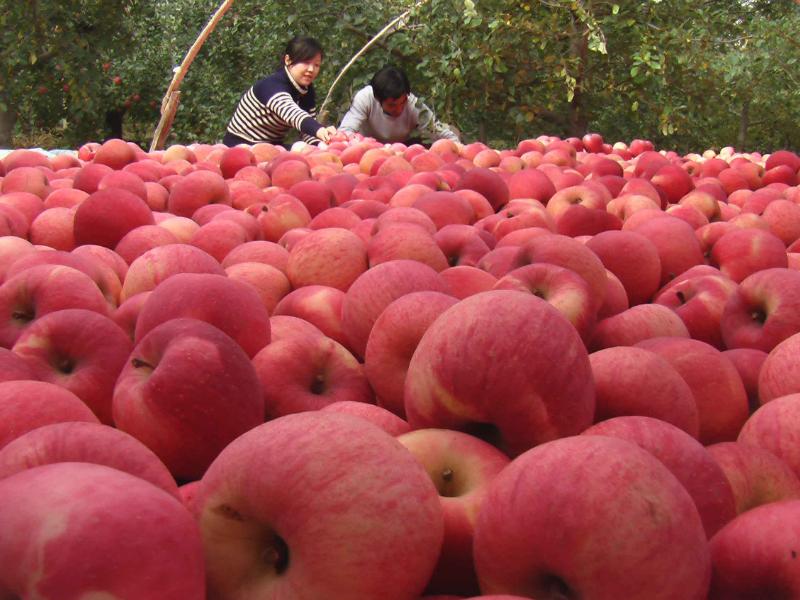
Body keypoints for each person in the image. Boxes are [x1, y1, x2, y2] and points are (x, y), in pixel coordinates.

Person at [223, 36, 337, 148]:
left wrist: (323, 145)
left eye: (316, 65)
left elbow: (307, 133)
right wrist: (319, 129)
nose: (311, 69)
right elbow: (292, 113)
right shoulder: (271, 86)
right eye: (306, 62)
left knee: (304, 151)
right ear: (288, 60)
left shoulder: (306, 90)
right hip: (240, 146)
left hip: (271, 147)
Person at [338, 65, 460, 145]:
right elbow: (345, 132)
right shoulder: (365, 98)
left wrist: (462, 150)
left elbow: (439, 131)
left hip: (399, 154)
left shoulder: (414, 105)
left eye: (403, 103)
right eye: (392, 105)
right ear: (378, 99)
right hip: (365, 151)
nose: (399, 109)